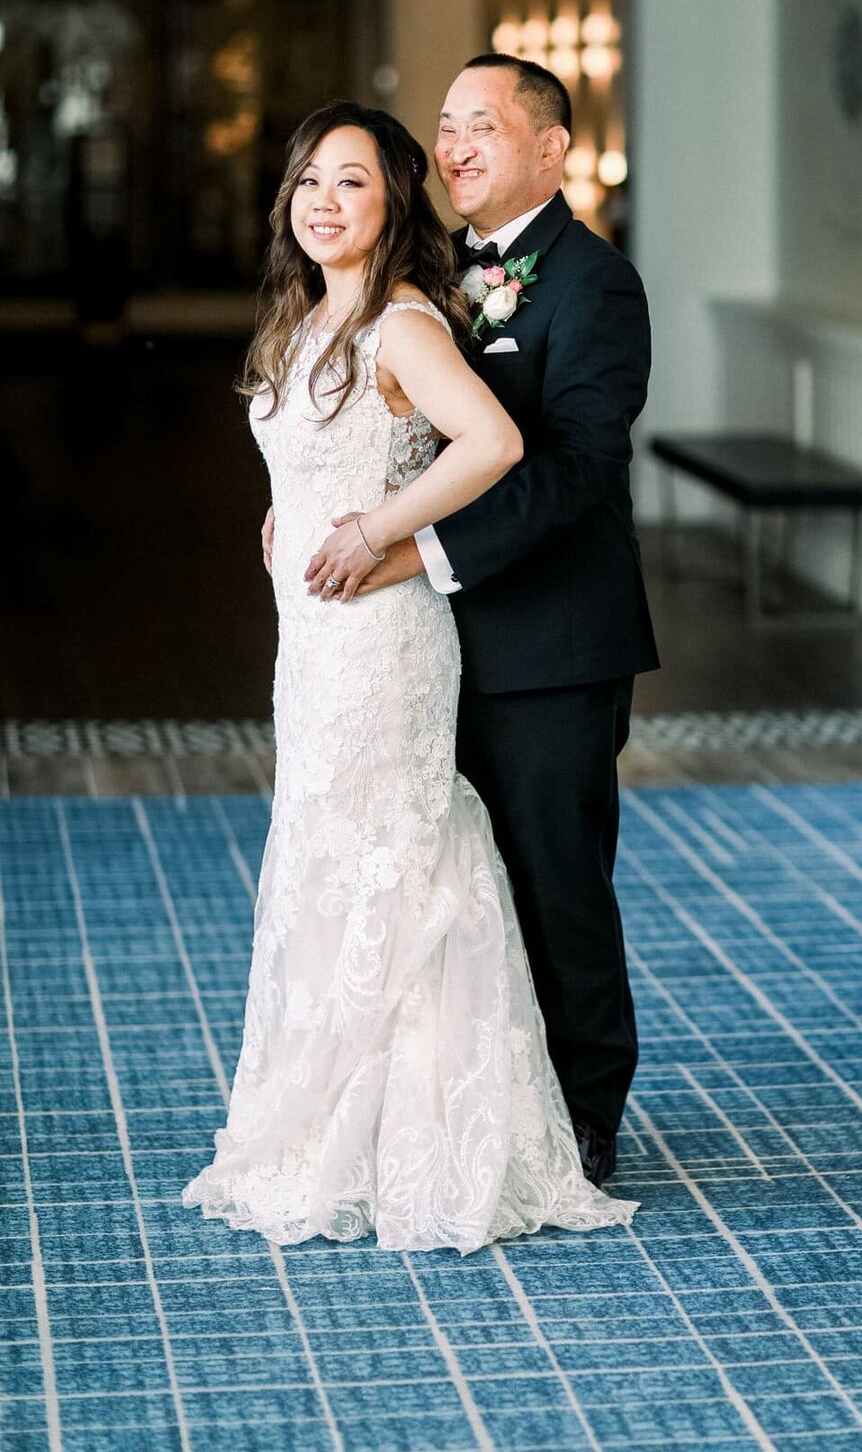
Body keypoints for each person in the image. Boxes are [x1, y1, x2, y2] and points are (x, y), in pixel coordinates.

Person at [182, 100, 636, 1252]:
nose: (324, 202)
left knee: (416, 858)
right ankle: (344, 1111)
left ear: (393, 208)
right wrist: (285, 514)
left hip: (395, 634)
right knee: (329, 853)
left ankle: (506, 1125)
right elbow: (312, 445)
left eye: (352, 183)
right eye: (308, 183)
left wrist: (379, 531)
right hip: (321, 643)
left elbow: (502, 447)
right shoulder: (300, 323)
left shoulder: (409, 322)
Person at [302, 56, 659, 1187]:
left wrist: (412, 548)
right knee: (450, 884)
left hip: (550, 643)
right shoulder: (429, 275)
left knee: (555, 881)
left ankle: (586, 1117)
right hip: (423, 647)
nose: (453, 148)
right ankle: (468, 1103)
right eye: (445, 127)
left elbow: (576, 472)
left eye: (482, 128)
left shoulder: (595, 286)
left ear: (551, 148)